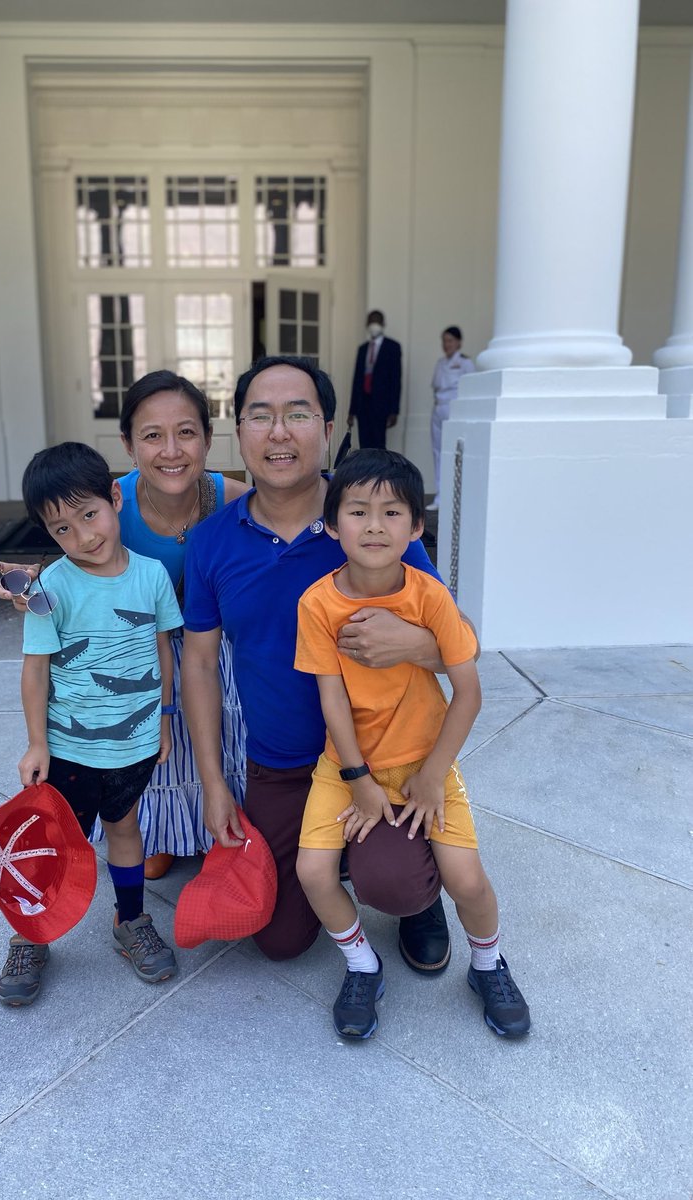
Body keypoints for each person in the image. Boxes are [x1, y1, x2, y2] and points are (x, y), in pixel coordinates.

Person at [182, 355, 472, 969]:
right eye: (260, 416)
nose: (279, 433)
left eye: (298, 415)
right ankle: (341, 853)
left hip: (381, 755)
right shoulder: (212, 541)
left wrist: (415, 644)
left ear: (330, 428)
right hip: (283, 764)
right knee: (281, 941)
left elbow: (458, 634)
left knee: (391, 884)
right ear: (239, 431)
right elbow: (201, 667)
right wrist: (214, 783)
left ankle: (418, 886)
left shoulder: (369, 518)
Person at [294, 448, 530, 1040]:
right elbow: (332, 700)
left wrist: (431, 776)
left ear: (416, 527)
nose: (374, 525)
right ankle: (361, 964)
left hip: (428, 764)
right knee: (314, 873)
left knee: (467, 879)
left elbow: (469, 692)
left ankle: (487, 964)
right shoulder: (318, 603)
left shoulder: (430, 597)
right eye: (357, 511)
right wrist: (358, 779)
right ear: (330, 524)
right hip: (346, 769)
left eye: (392, 511)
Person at [0, 370, 250, 882]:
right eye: (152, 435)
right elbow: (75, 561)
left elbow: (295, 520)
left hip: (204, 642)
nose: (171, 450)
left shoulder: (231, 497)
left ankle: (211, 822)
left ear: (207, 438)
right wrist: (35, 592)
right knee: (141, 741)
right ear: (129, 446)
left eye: (186, 432)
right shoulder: (110, 505)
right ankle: (158, 831)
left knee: (215, 710)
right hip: (138, 647)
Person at [0, 441, 183, 1007]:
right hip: (69, 749)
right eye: (62, 529)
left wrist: (166, 720)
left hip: (135, 743)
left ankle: (130, 921)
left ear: (114, 499)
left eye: (89, 514)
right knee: (53, 844)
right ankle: (31, 934)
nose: (83, 536)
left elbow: (163, 652)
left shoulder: (151, 577)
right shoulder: (51, 589)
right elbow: (36, 673)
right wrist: (36, 743)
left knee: (126, 830)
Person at [429, 325, 476, 510]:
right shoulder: (441, 363)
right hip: (439, 408)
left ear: (458, 342)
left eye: (450, 341)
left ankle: (456, 497)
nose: (446, 344)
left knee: (454, 453)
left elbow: (471, 389)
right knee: (438, 453)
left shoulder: (465, 363)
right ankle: (440, 497)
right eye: (444, 340)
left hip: (454, 410)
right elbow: (436, 387)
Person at [347, 310, 401, 450]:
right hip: (362, 404)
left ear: (383, 324)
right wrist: (352, 411)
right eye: (371, 321)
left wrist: (394, 410)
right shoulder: (363, 349)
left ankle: (378, 472)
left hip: (381, 405)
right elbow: (357, 380)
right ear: (367, 324)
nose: (374, 325)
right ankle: (366, 472)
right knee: (364, 444)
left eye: (377, 321)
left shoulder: (392, 347)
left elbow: (396, 380)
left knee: (378, 444)